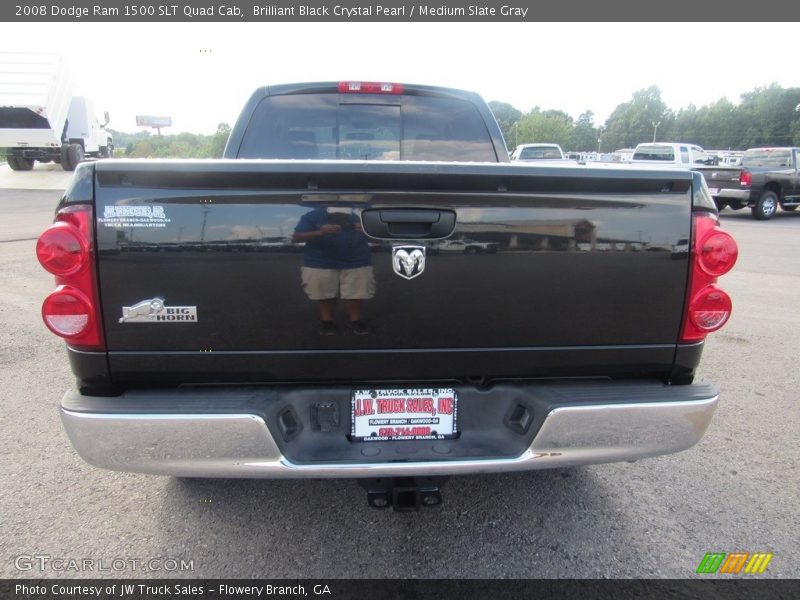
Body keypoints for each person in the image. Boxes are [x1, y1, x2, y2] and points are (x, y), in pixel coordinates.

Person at [292, 207, 375, 335]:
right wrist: (320, 232)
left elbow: (379, 238)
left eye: (345, 214)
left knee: (356, 293)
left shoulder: (363, 216)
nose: (342, 217)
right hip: (320, 261)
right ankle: (327, 322)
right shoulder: (312, 216)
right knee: (325, 294)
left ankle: (355, 321)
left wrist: (367, 231)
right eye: (337, 214)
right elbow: (296, 237)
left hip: (357, 260)